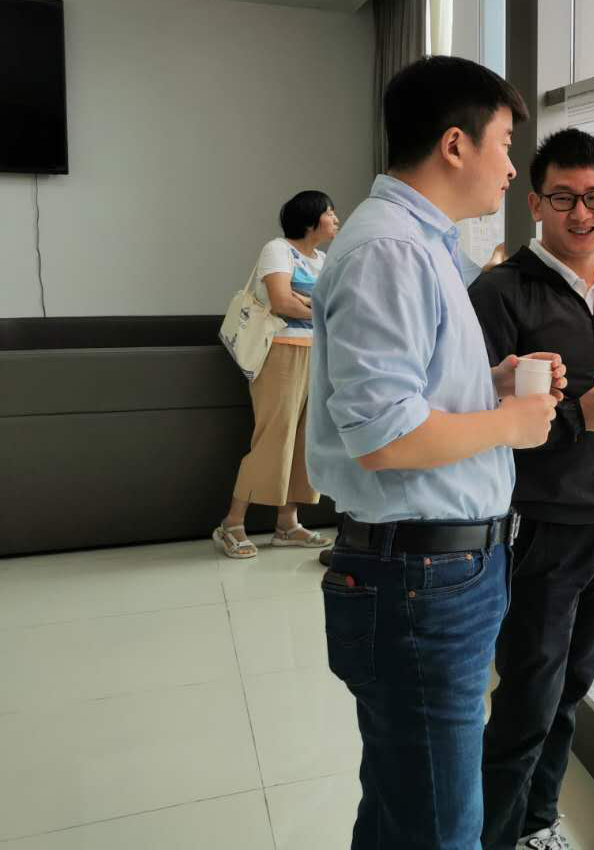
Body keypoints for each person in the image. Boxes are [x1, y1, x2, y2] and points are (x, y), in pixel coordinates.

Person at [306, 55, 563, 850]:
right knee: (441, 827)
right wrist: (510, 423)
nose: (512, 167)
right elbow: (385, 436)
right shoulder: (390, 250)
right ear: (455, 144)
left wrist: (491, 383)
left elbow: (414, 392)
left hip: (433, 571)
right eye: (505, 143)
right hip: (420, 578)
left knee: (401, 806)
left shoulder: (420, 242)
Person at [470, 128, 594, 850]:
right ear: (535, 204)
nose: (581, 214)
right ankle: (494, 837)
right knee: (528, 695)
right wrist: (574, 421)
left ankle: (536, 824)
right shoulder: (500, 294)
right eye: (563, 198)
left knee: (573, 686)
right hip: (539, 527)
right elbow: (473, 419)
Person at [213, 191, 340, 559]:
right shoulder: (278, 249)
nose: (336, 219)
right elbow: (282, 301)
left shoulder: (322, 260)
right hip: (280, 353)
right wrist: (315, 307)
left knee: (304, 440)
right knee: (274, 437)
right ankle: (231, 524)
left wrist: (308, 304)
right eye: (330, 213)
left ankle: (287, 524)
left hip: (316, 354)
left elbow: (332, 305)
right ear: (311, 220)